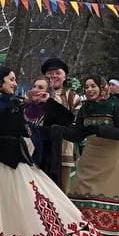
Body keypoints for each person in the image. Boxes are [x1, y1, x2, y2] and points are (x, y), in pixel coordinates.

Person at [0, 66, 107, 236]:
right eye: (11, 79)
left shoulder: (26, 104)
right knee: (11, 201)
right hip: (2, 158)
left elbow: (66, 120)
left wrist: (47, 102)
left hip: (28, 157)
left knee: (40, 195)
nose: (15, 83)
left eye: (15, 80)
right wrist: (26, 103)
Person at [68, 74, 119, 236]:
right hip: (91, 156)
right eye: (86, 86)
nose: (89, 90)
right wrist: (61, 131)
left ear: (102, 86)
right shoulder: (86, 107)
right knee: (81, 190)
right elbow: (78, 132)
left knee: (114, 194)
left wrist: (100, 130)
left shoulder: (114, 105)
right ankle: (85, 235)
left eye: (93, 86)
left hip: (111, 158)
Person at [40, 57, 82, 191]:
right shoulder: (37, 93)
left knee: (61, 192)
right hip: (41, 150)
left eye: (57, 72)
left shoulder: (72, 96)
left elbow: (76, 123)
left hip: (64, 151)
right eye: (49, 73)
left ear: (64, 76)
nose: (53, 76)